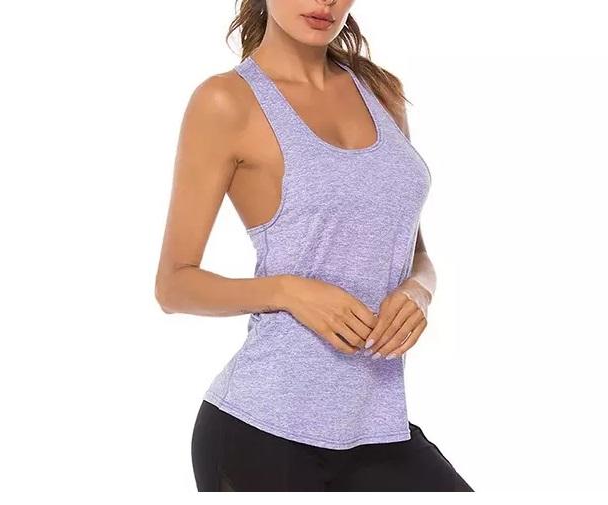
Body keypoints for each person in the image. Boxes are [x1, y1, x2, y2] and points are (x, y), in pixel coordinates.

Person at [154, 0, 473, 492]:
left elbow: (416, 251)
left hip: (377, 429)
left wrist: (420, 291)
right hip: (262, 433)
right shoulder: (226, 102)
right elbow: (173, 286)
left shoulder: (381, 92)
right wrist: (288, 291)